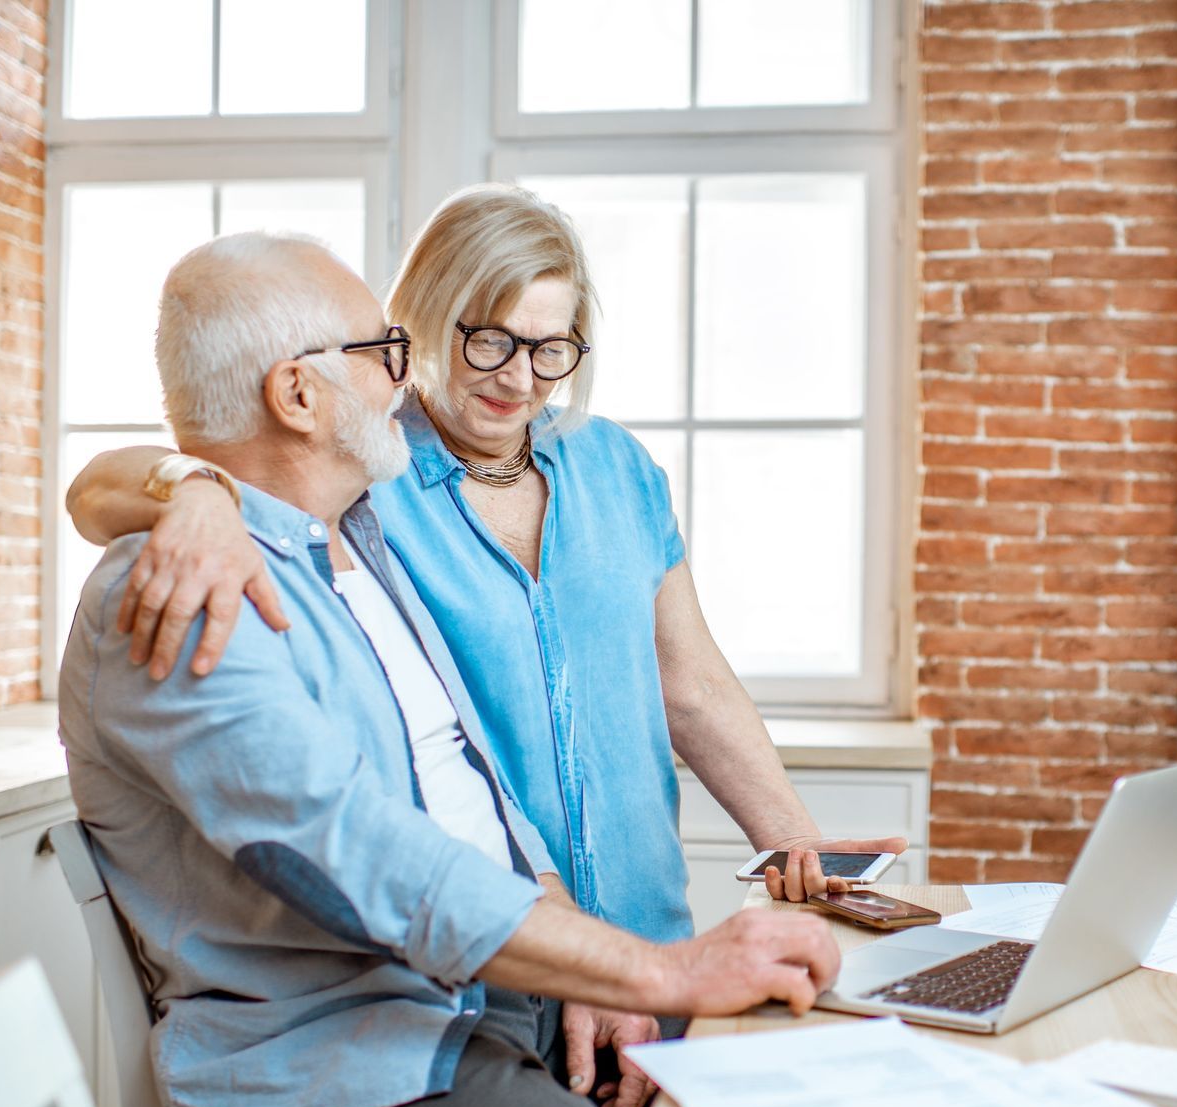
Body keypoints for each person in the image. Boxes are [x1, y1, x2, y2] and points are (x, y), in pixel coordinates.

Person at [58, 230, 840, 1107]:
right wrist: (662, 967)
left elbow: (472, 795)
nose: (404, 373)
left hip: (474, 999)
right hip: (352, 1049)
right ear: (297, 394)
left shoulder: (349, 541)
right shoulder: (193, 593)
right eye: (387, 348)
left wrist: (610, 958)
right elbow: (361, 858)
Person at [66, 183, 905, 936]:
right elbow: (99, 489)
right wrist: (198, 491)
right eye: (492, 342)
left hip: (649, 930)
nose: (522, 378)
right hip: (487, 955)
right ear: (427, 317)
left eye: (552, 348)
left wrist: (796, 839)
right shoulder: (365, 467)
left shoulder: (617, 468)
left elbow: (692, 684)